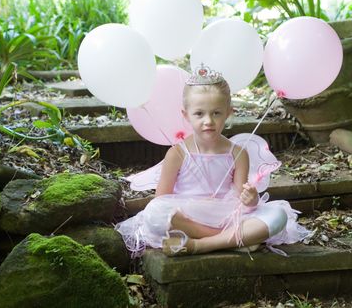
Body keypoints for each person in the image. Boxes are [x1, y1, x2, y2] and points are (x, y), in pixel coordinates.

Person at [115, 64, 310, 257]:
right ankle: (232, 241)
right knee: (154, 213)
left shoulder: (238, 153)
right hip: (189, 218)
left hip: (226, 216)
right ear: (186, 115)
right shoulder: (177, 153)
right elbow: (161, 200)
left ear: (228, 113)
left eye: (216, 113)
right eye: (199, 113)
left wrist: (251, 200)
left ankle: (199, 246)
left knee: (278, 216)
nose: (208, 120)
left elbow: (243, 202)